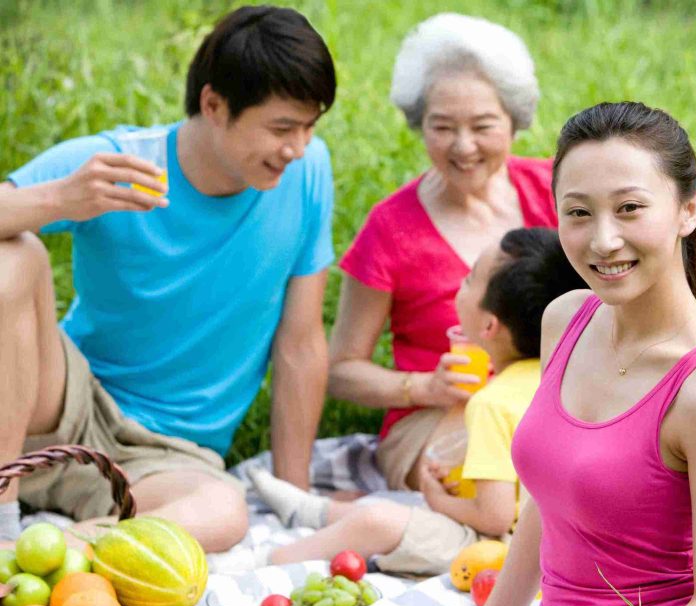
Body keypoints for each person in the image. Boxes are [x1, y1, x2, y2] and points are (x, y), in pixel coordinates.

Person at [342, 102, 696, 606]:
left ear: (689, 209)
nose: (604, 240)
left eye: (630, 208)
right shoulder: (566, 319)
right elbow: (550, 503)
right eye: (578, 213)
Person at [0, 6, 337, 551]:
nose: (296, 148)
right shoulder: (119, 165)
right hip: (62, 409)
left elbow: (300, 344)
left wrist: (293, 490)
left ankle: (49, 555)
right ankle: (2, 514)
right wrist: (60, 200)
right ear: (213, 105)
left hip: (166, 460)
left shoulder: (307, 174)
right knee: (13, 255)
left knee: (224, 513)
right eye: (281, 128)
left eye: (308, 127)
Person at [252, 229, 587, 575]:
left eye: (470, 279)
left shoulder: (491, 404)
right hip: (570, 541)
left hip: (513, 552)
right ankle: (312, 511)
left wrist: (437, 498)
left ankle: (264, 561)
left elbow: (494, 516)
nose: (462, 283)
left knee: (379, 521)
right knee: (403, 513)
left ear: (489, 326)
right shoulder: (564, 377)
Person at [328, 13, 556, 496]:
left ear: (514, 120)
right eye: (443, 127)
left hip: (553, 401)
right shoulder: (390, 227)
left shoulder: (558, 192)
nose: (464, 146)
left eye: (483, 126)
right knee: (496, 472)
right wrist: (422, 388)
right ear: (419, 124)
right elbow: (341, 371)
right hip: (438, 423)